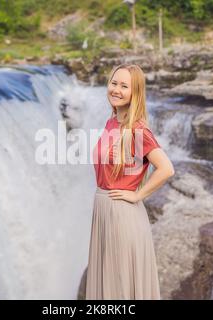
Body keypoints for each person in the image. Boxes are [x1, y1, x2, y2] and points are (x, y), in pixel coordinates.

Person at [86, 64, 175, 300]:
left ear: (135, 93)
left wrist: (137, 195)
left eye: (124, 86)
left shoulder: (137, 129)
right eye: (114, 83)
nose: (116, 89)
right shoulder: (112, 121)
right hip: (104, 210)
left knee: (120, 290)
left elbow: (166, 168)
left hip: (122, 215)